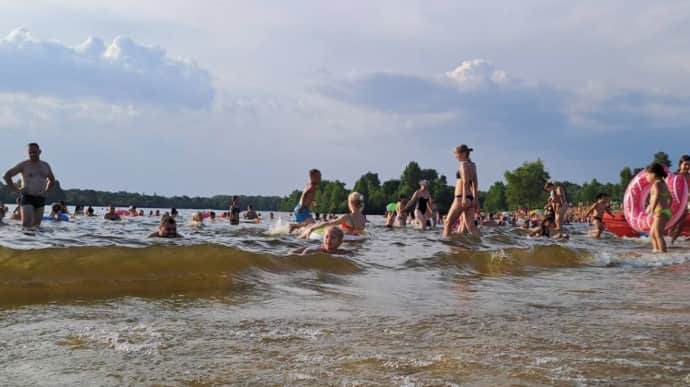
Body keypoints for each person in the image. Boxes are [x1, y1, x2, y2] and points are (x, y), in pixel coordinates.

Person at [3, 143, 56, 227]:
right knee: (26, 225)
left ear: (40, 152)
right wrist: (17, 189)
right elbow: (6, 176)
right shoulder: (24, 165)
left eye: (34, 152)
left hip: (40, 198)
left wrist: (47, 191)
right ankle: (23, 240)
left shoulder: (45, 165)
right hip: (27, 197)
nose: (32, 154)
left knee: (36, 227)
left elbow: (52, 180)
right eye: (30, 152)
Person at [444, 144, 480, 237]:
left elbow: (465, 182)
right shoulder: (473, 165)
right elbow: (475, 183)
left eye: (457, 154)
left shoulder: (463, 164)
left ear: (464, 153)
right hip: (470, 198)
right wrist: (475, 199)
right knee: (471, 227)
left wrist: (463, 198)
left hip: (461, 198)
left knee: (447, 223)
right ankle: (481, 245)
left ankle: (446, 246)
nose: (456, 157)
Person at [299, 192, 366, 239]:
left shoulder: (347, 217)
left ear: (350, 203)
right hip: (357, 242)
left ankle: (298, 240)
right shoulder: (363, 217)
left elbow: (327, 223)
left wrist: (312, 229)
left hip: (346, 243)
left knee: (309, 227)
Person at [646, 162, 671, 253]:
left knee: (658, 234)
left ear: (654, 174)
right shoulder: (663, 183)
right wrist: (667, 208)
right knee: (652, 233)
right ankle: (656, 250)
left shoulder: (656, 184)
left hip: (659, 212)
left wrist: (652, 209)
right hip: (665, 211)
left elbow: (656, 196)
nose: (646, 176)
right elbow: (670, 198)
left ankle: (663, 253)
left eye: (648, 174)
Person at [671, 154, 690, 243]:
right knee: (672, 224)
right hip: (673, 203)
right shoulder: (674, 176)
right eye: (685, 164)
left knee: (680, 225)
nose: (687, 166)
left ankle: (672, 242)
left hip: (684, 205)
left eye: (689, 165)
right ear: (680, 165)